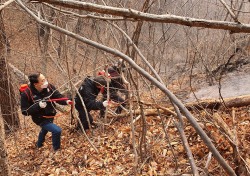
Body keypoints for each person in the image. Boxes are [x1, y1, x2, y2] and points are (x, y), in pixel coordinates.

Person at [21, 73, 72, 151]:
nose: (45, 81)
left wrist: (66, 101)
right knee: (57, 131)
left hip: (51, 114)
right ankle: (56, 150)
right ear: (35, 84)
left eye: (45, 78)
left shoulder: (49, 87)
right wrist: (38, 106)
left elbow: (58, 96)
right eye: (42, 80)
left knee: (44, 130)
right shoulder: (26, 94)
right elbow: (25, 111)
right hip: (40, 118)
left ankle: (39, 145)